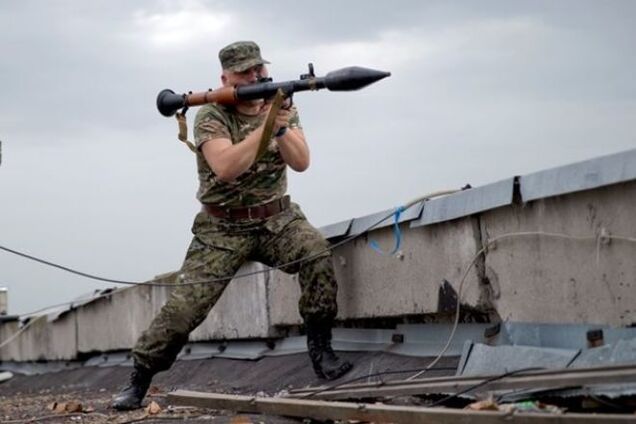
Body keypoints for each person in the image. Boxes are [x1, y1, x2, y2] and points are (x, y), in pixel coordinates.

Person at [112, 41, 353, 411]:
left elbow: (302, 162)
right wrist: (267, 126)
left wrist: (281, 124)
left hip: (277, 218)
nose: (255, 76)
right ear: (225, 77)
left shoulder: (283, 106)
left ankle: (321, 349)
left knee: (316, 252)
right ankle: (139, 378)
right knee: (183, 310)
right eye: (245, 72)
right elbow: (226, 167)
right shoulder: (211, 114)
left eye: (258, 69)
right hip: (221, 229)